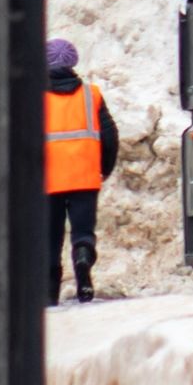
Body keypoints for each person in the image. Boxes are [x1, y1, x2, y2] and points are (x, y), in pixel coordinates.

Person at [44, 37, 120, 303]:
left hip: (48, 180)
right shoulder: (92, 94)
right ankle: (83, 262)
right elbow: (110, 136)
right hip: (85, 176)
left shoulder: (35, 99)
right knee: (83, 232)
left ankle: (48, 294)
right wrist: (105, 167)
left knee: (49, 238)